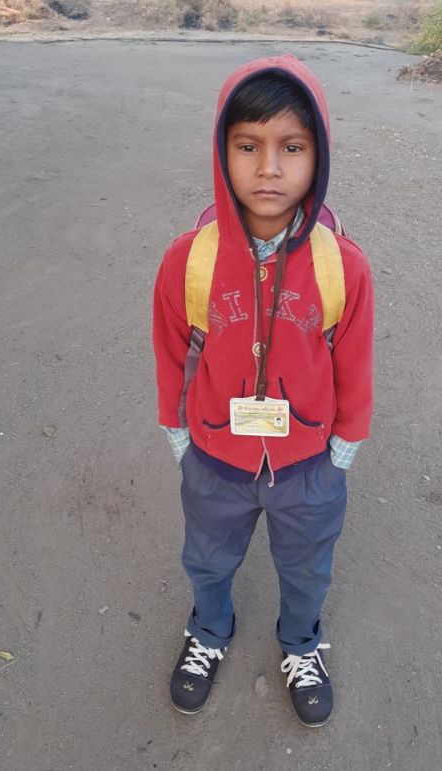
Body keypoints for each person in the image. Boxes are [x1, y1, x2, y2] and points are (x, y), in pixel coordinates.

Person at [152, 54, 374, 727]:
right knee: (207, 558)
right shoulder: (188, 260)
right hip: (215, 461)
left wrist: (343, 448)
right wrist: (179, 435)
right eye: (248, 146)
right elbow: (171, 353)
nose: (269, 168)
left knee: (307, 568)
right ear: (222, 152)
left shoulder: (343, 266)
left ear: (318, 155)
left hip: (308, 466)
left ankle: (301, 643)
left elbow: (354, 362)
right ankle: (208, 629)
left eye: (292, 147)